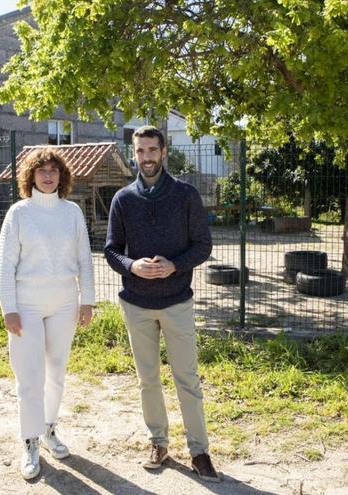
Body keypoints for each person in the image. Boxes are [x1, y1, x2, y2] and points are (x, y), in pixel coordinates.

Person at [104, 125, 220, 482]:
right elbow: (110, 249)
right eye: (140, 151)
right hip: (136, 304)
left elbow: (203, 245)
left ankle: (199, 450)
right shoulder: (123, 199)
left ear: (164, 151)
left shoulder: (185, 195)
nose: (146, 157)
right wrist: (131, 265)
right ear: (134, 154)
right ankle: (158, 442)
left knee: (187, 379)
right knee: (147, 380)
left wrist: (175, 265)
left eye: (152, 150)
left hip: (176, 303)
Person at [0, 147, 95, 480]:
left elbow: (84, 258)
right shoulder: (19, 213)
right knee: (30, 376)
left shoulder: (72, 213)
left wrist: (87, 300)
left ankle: (49, 429)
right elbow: (5, 265)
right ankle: (30, 440)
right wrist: (8, 308)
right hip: (26, 305)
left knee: (57, 371)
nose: (48, 175)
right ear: (31, 175)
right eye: (42, 170)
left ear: (62, 176)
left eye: (54, 170)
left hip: (65, 303)